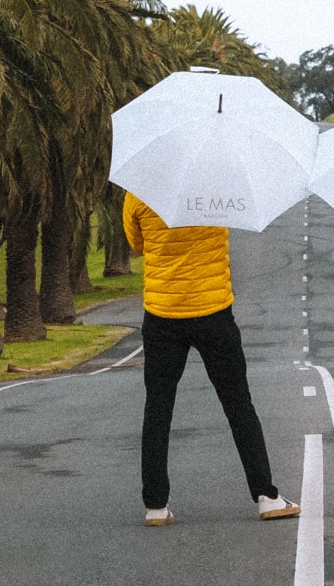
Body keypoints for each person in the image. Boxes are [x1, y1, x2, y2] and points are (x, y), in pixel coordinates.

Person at [124, 191, 299, 527]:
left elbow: (138, 244)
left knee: (158, 408)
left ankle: (156, 506)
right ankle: (266, 496)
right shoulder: (216, 186)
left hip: (162, 313)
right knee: (238, 404)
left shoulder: (140, 191)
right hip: (213, 311)